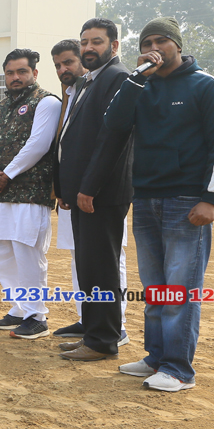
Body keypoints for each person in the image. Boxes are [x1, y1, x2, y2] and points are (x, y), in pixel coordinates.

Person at [102, 17, 214, 391]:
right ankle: (156, 357)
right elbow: (114, 123)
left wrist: (210, 199)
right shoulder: (141, 85)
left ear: (178, 45)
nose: (153, 48)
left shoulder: (206, 85)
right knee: (155, 287)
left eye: (161, 41)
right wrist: (136, 79)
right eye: (146, 43)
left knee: (180, 288)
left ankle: (178, 369)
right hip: (145, 199)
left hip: (187, 201)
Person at [56, 18, 134, 362]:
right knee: (88, 267)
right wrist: (66, 188)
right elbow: (74, 139)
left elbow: (112, 140)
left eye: (97, 42)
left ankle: (103, 341)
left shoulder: (118, 77)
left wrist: (89, 188)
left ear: (113, 46)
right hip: (82, 194)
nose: (88, 48)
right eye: (84, 42)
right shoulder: (92, 79)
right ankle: (93, 333)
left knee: (101, 269)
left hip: (101, 194)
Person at [0, 49, 61, 340]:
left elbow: (38, 144)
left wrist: (6, 174)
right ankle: (19, 308)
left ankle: (37, 316)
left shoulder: (47, 102)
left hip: (30, 192)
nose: (15, 77)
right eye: (10, 73)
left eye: (22, 72)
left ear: (34, 73)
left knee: (28, 254)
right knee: (4, 252)